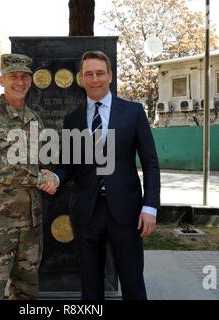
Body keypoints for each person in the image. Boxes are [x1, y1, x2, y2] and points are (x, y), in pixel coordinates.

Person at [40, 50, 160, 300]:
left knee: (132, 281)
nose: (94, 79)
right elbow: (68, 164)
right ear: (82, 78)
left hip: (126, 211)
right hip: (86, 211)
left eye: (100, 73)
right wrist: (57, 178)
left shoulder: (133, 112)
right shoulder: (73, 119)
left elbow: (150, 163)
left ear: (110, 76)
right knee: (90, 285)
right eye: (89, 74)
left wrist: (150, 207)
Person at [0, 53, 52, 300]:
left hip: (30, 225)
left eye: (25, 76)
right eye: (13, 76)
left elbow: (39, 160)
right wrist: (37, 179)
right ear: (2, 79)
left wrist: (48, 172)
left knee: (26, 291)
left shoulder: (33, 118)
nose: (20, 82)